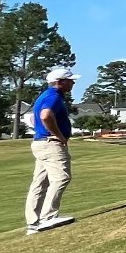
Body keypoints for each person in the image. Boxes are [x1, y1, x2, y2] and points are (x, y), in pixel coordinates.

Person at [26, 67, 78, 235]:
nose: (73, 83)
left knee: (40, 183)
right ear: (59, 82)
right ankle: (48, 217)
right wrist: (59, 136)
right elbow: (45, 116)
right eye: (69, 80)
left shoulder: (45, 96)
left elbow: (34, 118)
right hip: (51, 144)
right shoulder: (54, 96)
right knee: (62, 177)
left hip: (40, 142)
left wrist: (42, 131)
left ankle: (33, 223)